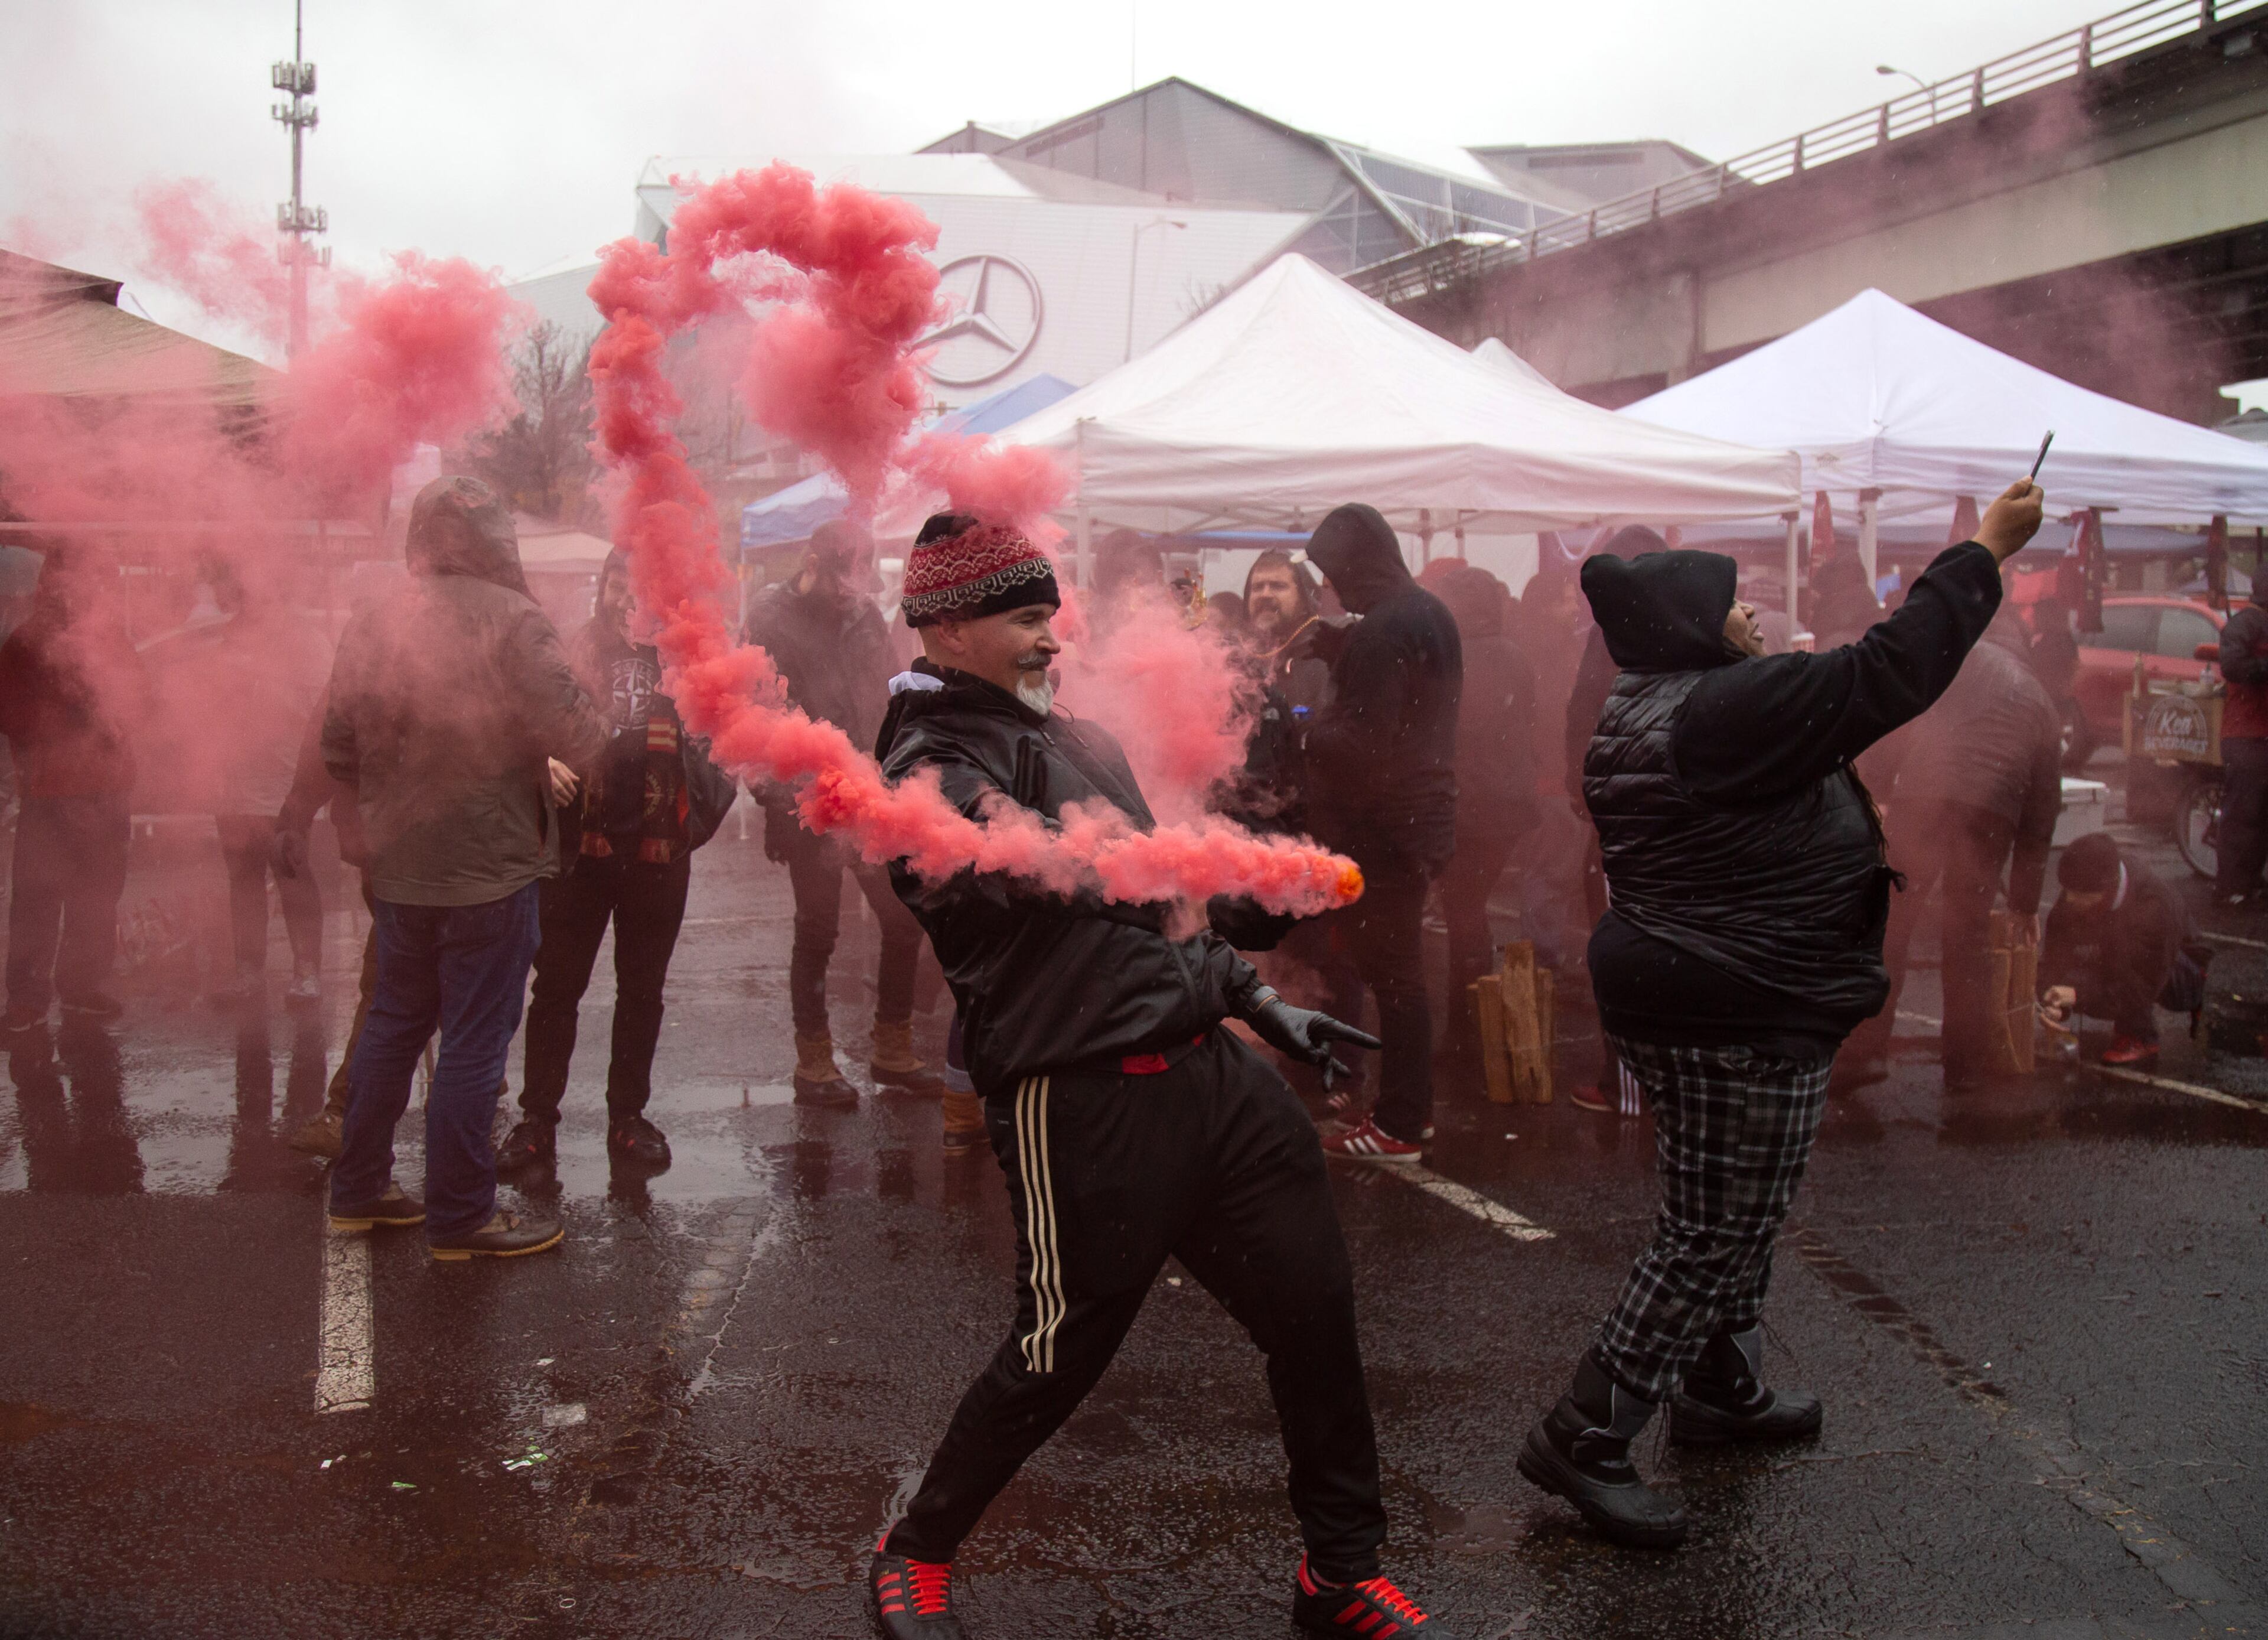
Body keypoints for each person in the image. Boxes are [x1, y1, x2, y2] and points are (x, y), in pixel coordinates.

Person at [866, 513, 1448, 1640]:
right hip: (1078, 1094)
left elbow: (1164, 907)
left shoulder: (1082, 737)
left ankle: (1338, 1572)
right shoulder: (923, 768)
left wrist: (1254, 997)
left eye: (1052, 612)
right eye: (1027, 618)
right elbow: (1062, 880)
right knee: (1056, 1352)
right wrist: (1231, 878)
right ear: (947, 627)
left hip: (1210, 1077)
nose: (1054, 637)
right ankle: (917, 1549)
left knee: (1315, 1311)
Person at [1516, 479, 2044, 1550]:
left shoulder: (1658, 703)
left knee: (1737, 1208)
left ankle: (1723, 1386)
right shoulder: (1719, 710)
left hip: (1717, 984)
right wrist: (1984, 549)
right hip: (1731, 997)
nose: (1754, 616)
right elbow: (1889, 672)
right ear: (1695, 629)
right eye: (1734, 604)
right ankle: (1588, 1430)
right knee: (1712, 1227)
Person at [321, 477, 604, 1260]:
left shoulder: (378, 618)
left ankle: (357, 1190)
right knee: (476, 1042)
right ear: (493, 539)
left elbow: (336, 741)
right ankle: (459, 1215)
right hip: (489, 870)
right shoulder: (515, 621)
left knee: (393, 1023)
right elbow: (576, 734)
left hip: (400, 867)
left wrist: (367, 814)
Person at [498, 548, 737, 1174]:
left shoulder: (689, 654)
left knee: (642, 992)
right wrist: (541, 770)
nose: (625, 595)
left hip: (658, 855)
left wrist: (697, 822)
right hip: (584, 850)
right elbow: (529, 724)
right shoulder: (570, 649)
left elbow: (728, 740)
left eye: (640, 585)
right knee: (555, 988)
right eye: (615, 581)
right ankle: (536, 1121)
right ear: (601, 586)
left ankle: (627, 1117)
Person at [745, 521, 940, 1108]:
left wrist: (901, 770)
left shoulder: (866, 617)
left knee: (902, 918)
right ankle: (814, 1062)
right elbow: (755, 717)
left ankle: (893, 1049)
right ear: (811, 562)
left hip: (865, 787)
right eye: (841, 576)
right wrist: (780, 800)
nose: (851, 590)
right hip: (804, 797)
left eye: (860, 578)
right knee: (819, 927)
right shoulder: (771, 615)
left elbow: (888, 696)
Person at [1299, 504, 1462, 1163]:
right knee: (1402, 974)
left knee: (1393, 977)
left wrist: (1303, 731)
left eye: (1333, 572)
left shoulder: (1383, 629)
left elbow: (1364, 743)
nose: (1333, 587)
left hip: (1386, 825)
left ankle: (1401, 1121)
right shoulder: (1429, 612)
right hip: (1426, 814)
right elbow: (1417, 704)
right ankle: (1407, 1113)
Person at [1844, 602, 2062, 1088]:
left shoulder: (1953, 662)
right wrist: (2026, 904)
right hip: (1992, 815)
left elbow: (1898, 720)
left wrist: (1875, 791)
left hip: (1924, 796)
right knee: (1967, 938)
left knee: (1891, 926)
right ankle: (1966, 1067)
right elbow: (2041, 817)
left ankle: (1865, 1054)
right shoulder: (2040, 699)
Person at [0, 544, 144, 1034]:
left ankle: (81, 986)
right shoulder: (27, 643)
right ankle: (28, 998)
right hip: (51, 790)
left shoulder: (108, 640)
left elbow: (139, 700)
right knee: (40, 895)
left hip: (104, 788)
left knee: (97, 895)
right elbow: (12, 716)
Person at [1435, 566, 1537, 1013]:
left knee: (1464, 911)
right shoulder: (1515, 656)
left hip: (1467, 806)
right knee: (1471, 907)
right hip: (1508, 804)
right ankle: (1477, 1005)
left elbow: (1449, 735)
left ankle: (1469, 1013)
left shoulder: (1452, 658)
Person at [2041, 832, 2198, 1066]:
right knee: (2094, 961)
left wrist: (2078, 996)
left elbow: (2143, 985)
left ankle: (2141, 1036)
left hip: (2181, 970)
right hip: (2120, 957)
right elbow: (2054, 957)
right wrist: (2053, 1003)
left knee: (2123, 954)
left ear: (2109, 887)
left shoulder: (2153, 905)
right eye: (2067, 890)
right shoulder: (2081, 889)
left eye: (2079, 894)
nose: (2069, 899)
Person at [2212, 576, 2268, 905]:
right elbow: (2232, 665)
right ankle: (2230, 887)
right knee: (2243, 814)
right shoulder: (2245, 623)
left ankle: (2248, 880)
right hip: (2244, 733)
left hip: (2260, 733)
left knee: (2260, 815)